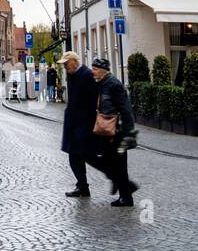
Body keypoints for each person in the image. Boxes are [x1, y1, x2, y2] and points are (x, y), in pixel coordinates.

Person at [87, 57, 139, 207]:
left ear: (103, 71)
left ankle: (126, 196)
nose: (93, 72)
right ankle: (125, 188)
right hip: (107, 131)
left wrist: (125, 132)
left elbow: (125, 109)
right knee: (107, 161)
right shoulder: (102, 84)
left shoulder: (114, 85)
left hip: (117, 133)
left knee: (120, 165)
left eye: (95, 69)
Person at [58, 51, 96, 197]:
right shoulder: (72, 75)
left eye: (66, 64)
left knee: (92, 158)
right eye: (64, 65)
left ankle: (121, 182)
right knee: (74, 157)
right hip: (73, 124)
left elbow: (92, 101)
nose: (65, 67)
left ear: (74, 61)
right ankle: (82, 186)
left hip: (84, 124)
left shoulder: (86, 75)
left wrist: (88, 124)